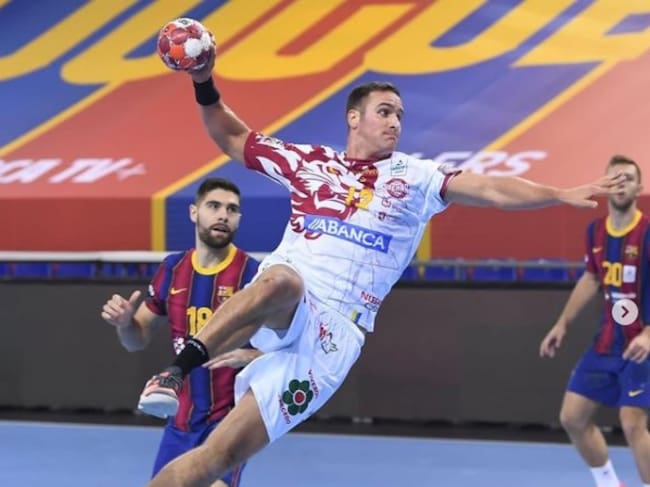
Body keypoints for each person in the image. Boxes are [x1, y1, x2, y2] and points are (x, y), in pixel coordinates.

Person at [138, 44, 626, 486]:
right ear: (354, 118)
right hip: (289, 302)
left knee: (213, 461)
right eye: (385, 112)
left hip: (333, 340)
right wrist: (202, 78)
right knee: (283, 280)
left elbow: (492, 188)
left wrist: (557, 193)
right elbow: (231, 135)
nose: (395, 122)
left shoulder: (414, 177)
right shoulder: (308, 163)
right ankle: (175, 373)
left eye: (400, 115)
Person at [101, 177, 261, 487]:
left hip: (229, 422)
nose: (223, 215)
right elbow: (137, 340)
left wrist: (252, 355)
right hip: (181, 422)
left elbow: (292, 348)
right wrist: (125, 324)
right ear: (194, 212)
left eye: (232, 209)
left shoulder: (254, 275)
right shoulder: (172, 269)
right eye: (214, 206)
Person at [540, 155, 650, 487]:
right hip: (606, 343)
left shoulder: (647, 232)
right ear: (605, 185)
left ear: (639, 188)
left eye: (628, 178)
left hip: (643, 347)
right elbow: (591, 278)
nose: (621, 183)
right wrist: (562, 323)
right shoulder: (596, 231)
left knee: (632, 422)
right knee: (572, 417)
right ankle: (609, 483)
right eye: (615, 178)